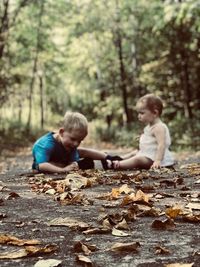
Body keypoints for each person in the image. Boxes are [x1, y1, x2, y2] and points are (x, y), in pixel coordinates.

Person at [32, 111, 118, 173]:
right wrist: (63, 170)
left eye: (80, 140)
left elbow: (73, 162)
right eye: (73, 139)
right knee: (44, 168)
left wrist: (74, 164)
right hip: (45, 162)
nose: (76, 143)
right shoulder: (46, 144)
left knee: (81, 151)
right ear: (62, 132)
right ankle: (89, 162)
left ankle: (108, 157)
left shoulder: (71, 145)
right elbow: (42, 165)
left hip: (62, 157)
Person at [107, 94, 174, 170]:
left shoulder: (159, 127)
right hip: (148, 154)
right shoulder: (149, 126)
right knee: (134, 153)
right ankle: (119, 159)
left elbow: (161, 145)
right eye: (138, 113)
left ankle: (117, 165)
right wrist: (142, 139)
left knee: (137, 159)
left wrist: (158, 160)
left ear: (155, 113)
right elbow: (151, 141)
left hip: (154, 158)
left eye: (142, 113)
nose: (139, 116)